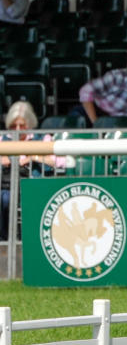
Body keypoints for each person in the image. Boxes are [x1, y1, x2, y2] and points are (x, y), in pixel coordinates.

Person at [1, 102, 67, 241]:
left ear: (30, 124)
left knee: (31, 197)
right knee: (5, 198)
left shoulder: (43, 138)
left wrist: (33, 157)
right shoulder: (2, 139)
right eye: (13, 125)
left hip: (34, 185)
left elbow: (60, 162)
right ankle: (6, 239)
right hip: (8, 186)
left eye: (22, 125)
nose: (17, 129)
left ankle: (32, 239)